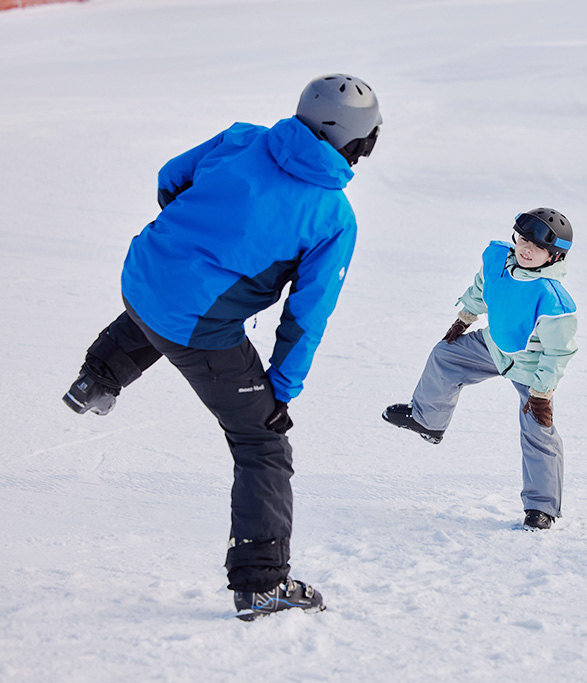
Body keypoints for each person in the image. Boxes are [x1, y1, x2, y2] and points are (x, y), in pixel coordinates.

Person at [62, 74, 382, 620]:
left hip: (141, 274)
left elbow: (171, 179)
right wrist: (278, 394)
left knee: (173, 303)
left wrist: (186, 241)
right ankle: (261, 583)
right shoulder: (332, 216)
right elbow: (306, 316)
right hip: (195, 324)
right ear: (361, 143)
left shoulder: (243, 137)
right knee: (263, 443)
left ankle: (98, 377)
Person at [382, 209, 578, 530]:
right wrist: (465, 318)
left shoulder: (553, 298)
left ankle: (541, 507)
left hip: (530, 365)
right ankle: (428, 421)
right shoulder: (499, 259)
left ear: (554, 256)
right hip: (492, 347)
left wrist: (541, 393)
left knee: (538, 431)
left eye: (536, 247)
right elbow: (482, 288)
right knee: (446, 356)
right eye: (523, 239)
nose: (525, 249)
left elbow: (558, 353)